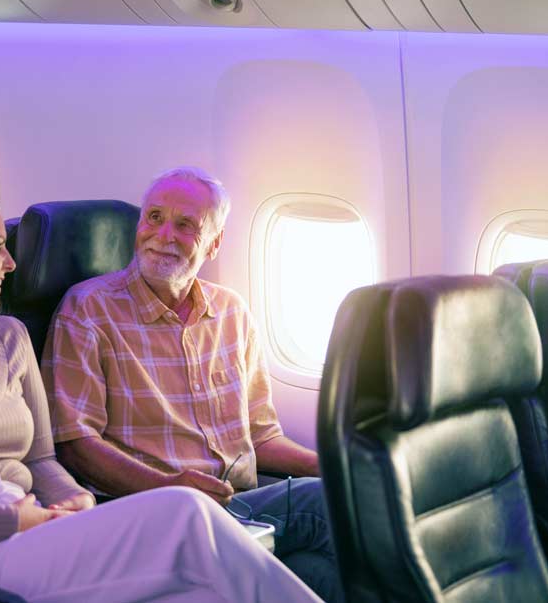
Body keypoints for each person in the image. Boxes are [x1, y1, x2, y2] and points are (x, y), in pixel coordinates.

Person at [0, 184, 319, 603]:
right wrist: (13, 522)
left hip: (33, 525)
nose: (12, 264)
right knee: (186, 509)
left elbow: (41, 461)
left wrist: (77, 502)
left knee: (200, 594)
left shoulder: (10, 336)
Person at [42, 166, 341, 601]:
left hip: (242, 505)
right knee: (329, 508)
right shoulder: (89, 310)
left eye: (185, 225)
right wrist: (167, 486)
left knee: (323, 567)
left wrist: (332, 465)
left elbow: (261, 436)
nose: (163, 234)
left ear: (215, 243)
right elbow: (74, 441)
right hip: (154, 512)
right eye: (154, 218)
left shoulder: (232, 313)